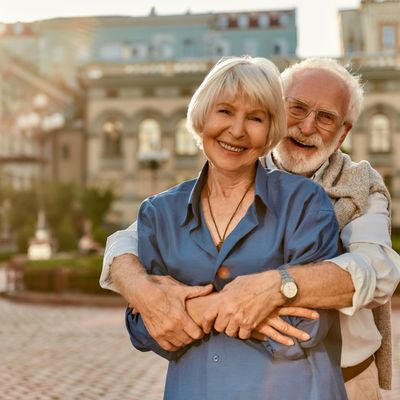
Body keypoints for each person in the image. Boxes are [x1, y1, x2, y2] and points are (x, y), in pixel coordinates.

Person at [100, 57, 400, 399]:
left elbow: (378, 272)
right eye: (297, 108)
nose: (306, 127)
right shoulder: (225, 167)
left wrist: (275, 287)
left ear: (344, 131)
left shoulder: (359, 188)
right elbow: (128, 241)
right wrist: (142, 289)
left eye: (326, 117)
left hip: (344, 375)